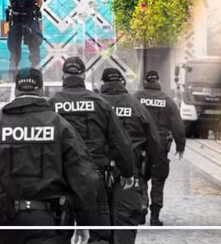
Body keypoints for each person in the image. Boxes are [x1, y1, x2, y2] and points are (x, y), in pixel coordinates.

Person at [0, 68, 98, 244]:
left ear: (17, 90)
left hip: (10, 223)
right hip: (51, 224)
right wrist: (85, 222)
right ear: (41, 90)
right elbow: (83, 176)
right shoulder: (59, 125)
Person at [50, 57, 135, 243]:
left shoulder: (51, 104)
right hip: (94, 178)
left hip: (60, 180)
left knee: (56, 236)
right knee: (98, 236)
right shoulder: (99, 102)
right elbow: (120, 141)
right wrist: (128, 172)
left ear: (63, 74)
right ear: (83, 74)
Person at [98, 68, 162, 240]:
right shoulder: (136, 105)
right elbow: (154, 143)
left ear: (102, 83)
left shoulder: (96, 104)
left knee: (99, 227)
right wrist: (144, 174)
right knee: (125, 224)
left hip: (98, 174)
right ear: (123, 83)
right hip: (130, 175)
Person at [133, 70, 186, 226]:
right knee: (158, 180)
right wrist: (180, 145)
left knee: (140, 177)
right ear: (159, 81)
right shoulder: (167, 100)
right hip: (160, 147)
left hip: (140, 145)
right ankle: (155, 217)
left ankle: (142, 205)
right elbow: (177, 125)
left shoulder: (135, 98)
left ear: (145, 82)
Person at [6, 0, 44, 80]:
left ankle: (36, 74)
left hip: (29, 19)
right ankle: (12, 77)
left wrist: (36, 9)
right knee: (14, 50)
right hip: (16, 20)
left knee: (34, 48)